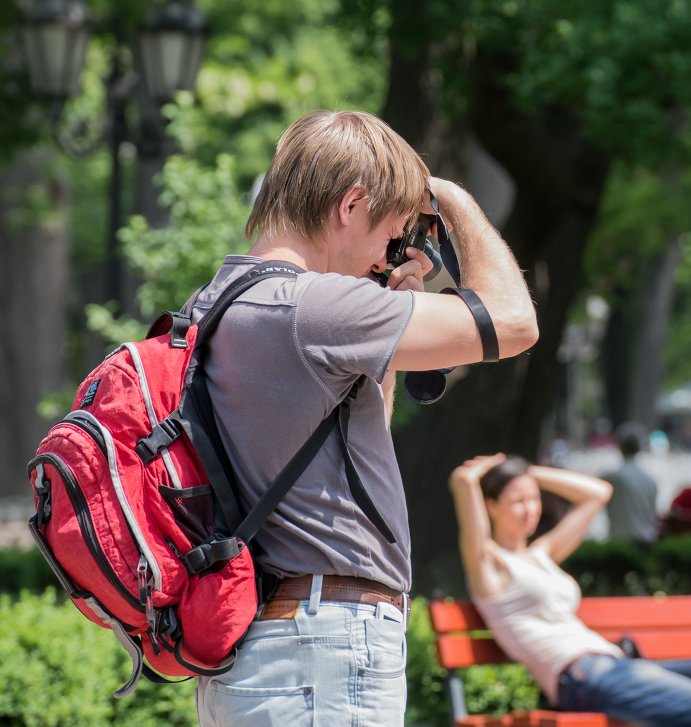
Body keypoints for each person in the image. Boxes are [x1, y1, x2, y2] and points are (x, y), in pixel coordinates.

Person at [192, 109, 539, 726]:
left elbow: (348, 431)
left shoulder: (219, 301)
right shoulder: (315, 306)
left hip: (271, 646)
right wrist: (453, 200)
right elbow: (514, 323)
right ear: (351, 205)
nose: (389, 253)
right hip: (321, 648)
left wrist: (393, 316)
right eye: (394, 231)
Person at [449, 454, 691, 726]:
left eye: (534, 498)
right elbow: (463, 481)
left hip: (618, 666)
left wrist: (528, 471)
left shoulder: (542, 554)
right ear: (490, 506)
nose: (530, 508)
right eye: (518, 501)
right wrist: (472, 478)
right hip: (581, 676)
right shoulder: (489, 566)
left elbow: (598, 493)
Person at [602, 423, 661, 545]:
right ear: (639, 448)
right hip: (646, 540)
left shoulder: (611, 477)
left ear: (620, 448)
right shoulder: (650, 481)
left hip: (619, 540)